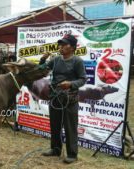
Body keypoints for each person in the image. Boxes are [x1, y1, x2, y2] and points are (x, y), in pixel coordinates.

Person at [40, 34, 87, 164]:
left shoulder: (77, 61)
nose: (61, 47)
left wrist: (70, 84)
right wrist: (43, 60)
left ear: (72, 47)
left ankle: (72, 154)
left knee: (70, 127)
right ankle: (55, 149)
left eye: (64, 44)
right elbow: (42, 70)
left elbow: (83, 79)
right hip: (55, 97)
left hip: (69, 99)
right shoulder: (55, 60)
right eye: (60, 44)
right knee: (55, 125)